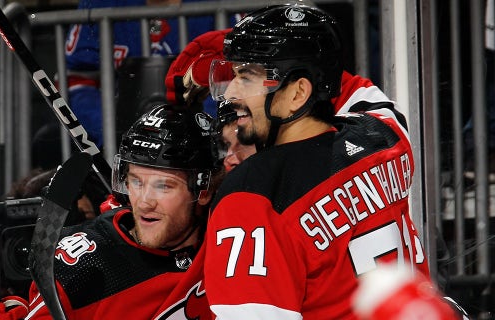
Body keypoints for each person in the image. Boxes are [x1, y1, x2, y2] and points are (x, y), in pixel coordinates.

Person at [204, 3, 433, 319]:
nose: (229, 92)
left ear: (298, 93)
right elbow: (360, 92)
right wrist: (315, 60)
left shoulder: (250, 195)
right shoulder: (385, 134)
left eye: (247, 76)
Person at [24, 104, 220, 319]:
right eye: (136, 182)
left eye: (163, 186)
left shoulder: (226, 241)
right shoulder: (85, 265)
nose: (145, 203)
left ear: (205, 190)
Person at [63, 0, 243, 148]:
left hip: (204, 143)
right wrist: (110, 130)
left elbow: (240, 78)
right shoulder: (98, 5)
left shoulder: (225, 7)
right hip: (119, 145)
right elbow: (78, 80)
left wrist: (204, 128)